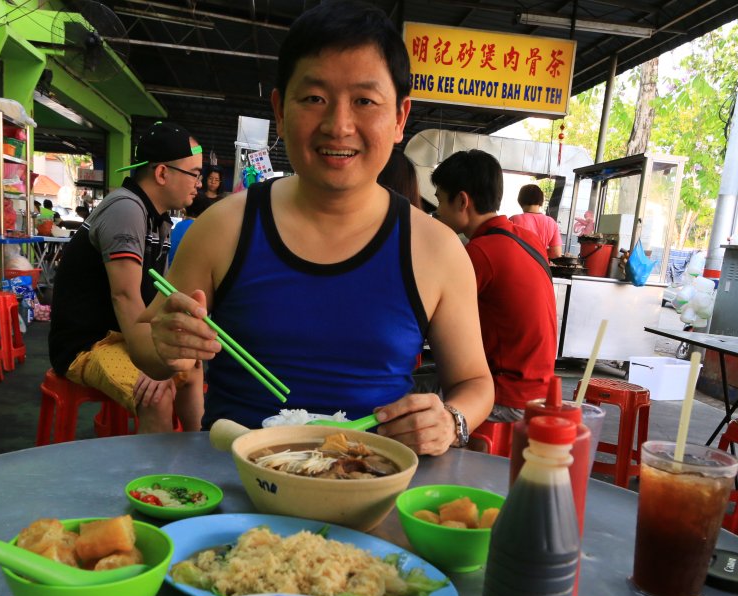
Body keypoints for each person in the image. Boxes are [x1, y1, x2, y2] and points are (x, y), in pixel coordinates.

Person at [142, 0, 493, 456]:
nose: (338, 125)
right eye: (314, 99)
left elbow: (473, 381)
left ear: (401, 118)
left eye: (365, 101)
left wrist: (452, 419)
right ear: (280, 112)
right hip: (237, 489)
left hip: (372, 488)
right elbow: (148, 349)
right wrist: (164, 342)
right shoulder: (225, 226)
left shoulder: (437, 249)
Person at [48, 121, 204, 433]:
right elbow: (126, 296)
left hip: (120, 336)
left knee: (193, 367)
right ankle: (157, 480)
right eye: (194, 173)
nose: (199, 183)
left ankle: (198, 453)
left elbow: (157, 297)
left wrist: (173, 351)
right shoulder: (126, 209)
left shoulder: (158, 221)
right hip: (89, 344)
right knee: (155, 394)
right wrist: (152, 364)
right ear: (162, 173)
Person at [431, 149, 558, 423]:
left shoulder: (481, 252)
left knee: (398, 397)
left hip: (507, 394)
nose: (437, 211)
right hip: (540, 389)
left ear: (462, 201)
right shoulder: (527, 238)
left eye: (440, 201)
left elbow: (427, 315)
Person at [509, 183, 563, 259]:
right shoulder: (551, 222)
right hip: (541, 268)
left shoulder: (513, 220)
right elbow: (557, 253)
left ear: (520, 200)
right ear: (541, 201)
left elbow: (507, 247)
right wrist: (540, 252)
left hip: (519, 264)